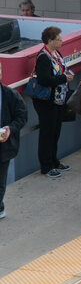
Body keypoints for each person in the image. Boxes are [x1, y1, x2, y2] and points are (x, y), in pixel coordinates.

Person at [33, 26, 74, 178]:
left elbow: (61, 69)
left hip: (58, 99)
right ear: (50, 41)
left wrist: (66, 75)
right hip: (46, 101)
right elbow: (44, 79)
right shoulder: (43, 57)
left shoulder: (56, 53)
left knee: (55, 131)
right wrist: (64, 78)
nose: (61, 41)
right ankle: (46, 165)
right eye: (58, 39)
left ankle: (54, 160)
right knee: (47, 133)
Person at [0, 63, 27, 220]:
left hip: (4, 144)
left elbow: (22, 116)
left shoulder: (10, 95)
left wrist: (11, 128)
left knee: (1, 179)